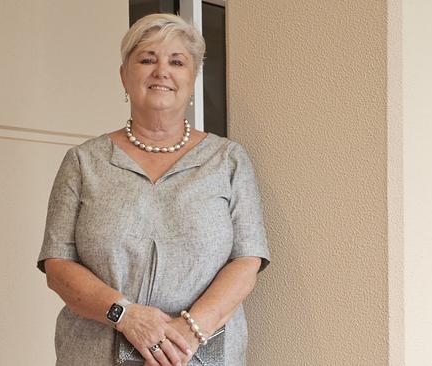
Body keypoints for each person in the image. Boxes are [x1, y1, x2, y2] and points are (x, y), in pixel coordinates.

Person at [37, 13, 270, 366]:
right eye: (147, 59)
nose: (162, 70)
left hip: (201, 354)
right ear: (124, 76)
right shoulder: (83, 162)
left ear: (192, 79)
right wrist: (126, 315)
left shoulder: (228, 160)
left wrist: (188, 334)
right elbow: (58, 265)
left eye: (177, 62)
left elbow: (247, 260)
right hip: (94, 355)